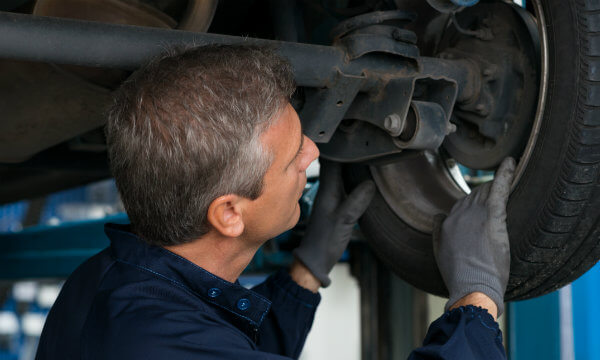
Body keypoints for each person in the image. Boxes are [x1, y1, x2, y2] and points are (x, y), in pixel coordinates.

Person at [35, 44, 514, 360]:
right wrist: (477, 300)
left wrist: (304, 276)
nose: (312, 151)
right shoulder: (147, 342)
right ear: (228, 213)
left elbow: (225, 343)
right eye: (291, 159)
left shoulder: (110, 282)